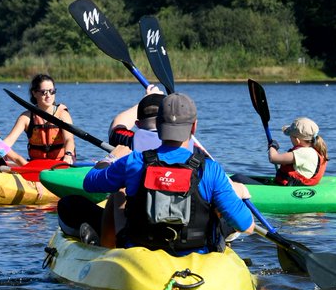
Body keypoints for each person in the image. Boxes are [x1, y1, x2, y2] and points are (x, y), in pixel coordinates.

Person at [80, 92, 254, 254]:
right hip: (195, 256)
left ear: (158, 124)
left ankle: (106, 251)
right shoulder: (209, 169)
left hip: (139, 253)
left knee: (118, 196)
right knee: (219, 206)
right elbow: (247, 226)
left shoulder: (134, 161)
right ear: (194, 127)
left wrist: (111, 157)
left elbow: (89, 182)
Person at [0, 74, 76, 164]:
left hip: (61, 165)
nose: (48, 95)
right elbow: (6, 144)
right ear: (34, 93)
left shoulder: (63, 114)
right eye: (44, 92)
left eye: (52, 91)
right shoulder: (26, 118)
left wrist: (68, 154)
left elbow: (69, 139)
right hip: (36, 166)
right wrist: (19, 160)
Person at [96, 86, 165, 165]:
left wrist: (147, 98)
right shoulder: (180, 141)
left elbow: (116, 127)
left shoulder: (129, 139)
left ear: (138, 124)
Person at [266, 116, 328, 186]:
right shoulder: (313, 150)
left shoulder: (303, 152)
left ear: (297, 140)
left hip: (293, 187)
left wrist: (273, 146)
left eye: (290, 136)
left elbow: (273, 158)